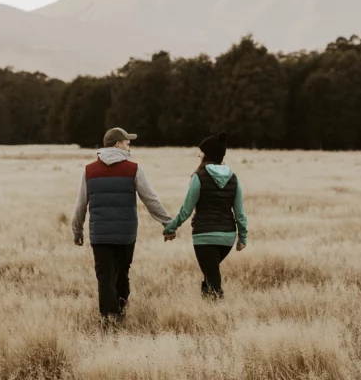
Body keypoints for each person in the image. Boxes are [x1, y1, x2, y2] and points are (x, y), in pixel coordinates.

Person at [72, 127, 174, 324]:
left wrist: (77, 230)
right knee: (122, 273)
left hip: (100, 235)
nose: (130, 147)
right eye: (128, 143)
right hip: (126, 235)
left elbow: (80, 204)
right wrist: (168, 223)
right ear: (118, 144)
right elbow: (150, 199)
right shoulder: (133, 169)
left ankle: (108, 320)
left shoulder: (89, 171)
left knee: (104, 277)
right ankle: (119, 313)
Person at [163, 132, 248, 299]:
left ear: (207, 154)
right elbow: (240, 213)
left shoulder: (199, 177)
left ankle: (217, 311)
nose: (198, 154)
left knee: (212, 276)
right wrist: (242, 237)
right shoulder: (234, 178)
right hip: (227, 238)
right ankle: (208, 311)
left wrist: (171, 227)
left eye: (200, 152)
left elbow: (186, 210)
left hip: (205, 236)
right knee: (210, 273)